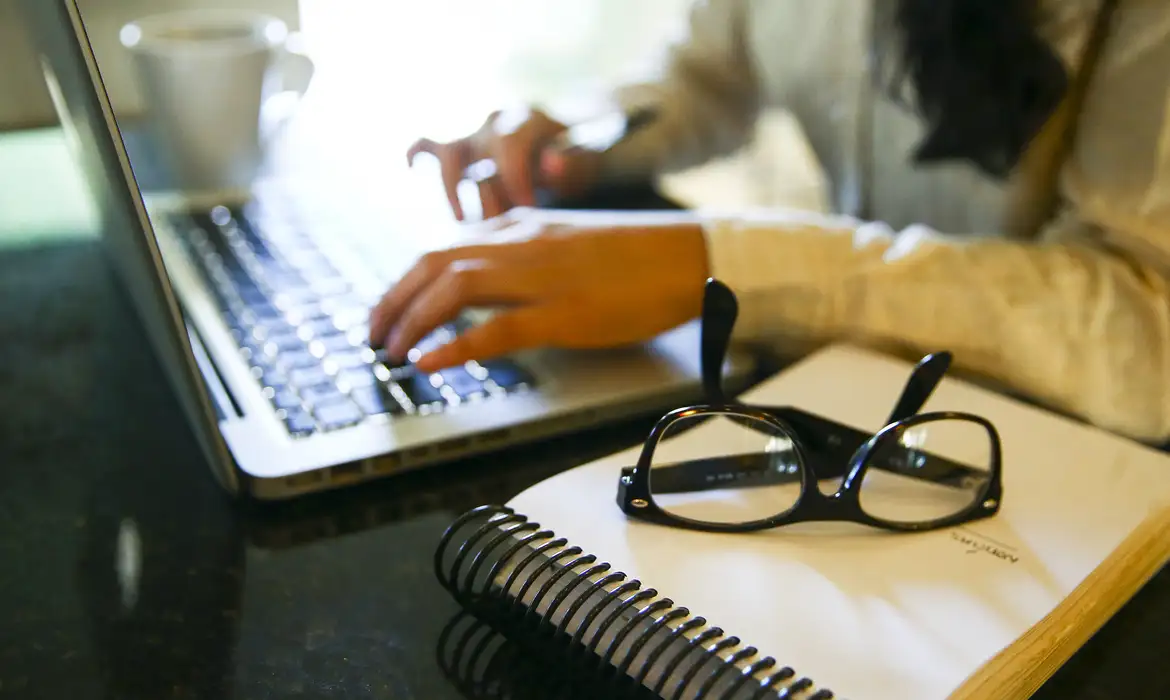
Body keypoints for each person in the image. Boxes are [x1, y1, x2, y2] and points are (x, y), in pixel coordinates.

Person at [369, 0, 1170, 443]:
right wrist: (578, 139)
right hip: (863, 401)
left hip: (1061, 454)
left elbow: (1150, 320)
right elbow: (708, 71)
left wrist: (727, 264)